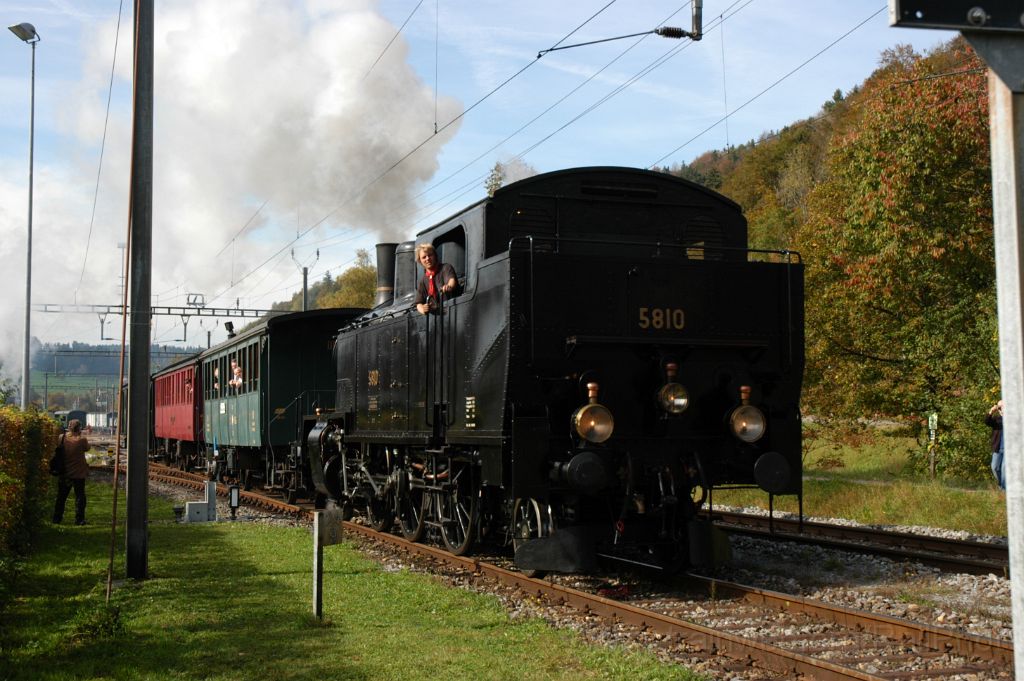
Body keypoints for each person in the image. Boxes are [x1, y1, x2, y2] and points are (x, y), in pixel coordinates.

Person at [52, 419, 91, 525]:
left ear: (69, 427)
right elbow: (87, 448)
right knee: (80, 497)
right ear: (79, 428)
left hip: (64, 472)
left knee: (61, 497)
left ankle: (57, 518)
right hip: (79, 473)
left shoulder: (62, 438)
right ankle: (79, 519)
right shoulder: (82, 440)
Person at [415, 243, 459, 315]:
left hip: (452, 311)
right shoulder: (423, 280)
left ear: (435, 255)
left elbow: (451, 280)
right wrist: (422, 309)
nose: (427, 258)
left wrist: (448, 286)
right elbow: (418, 303)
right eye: (424, 257)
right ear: (420, 261)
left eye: (430, 255)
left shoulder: (446, 268)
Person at [986, 400, 1006, 490]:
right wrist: (991, 411)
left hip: (1008, 450)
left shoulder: (1012, 419)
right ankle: (1001, 485)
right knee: (995, 468)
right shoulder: (997, 419)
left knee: (1004, 469)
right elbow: (987, 421)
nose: (1000, 409)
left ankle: (1004, 490)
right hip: (998, 448)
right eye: (999, 407)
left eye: (1002, 407)